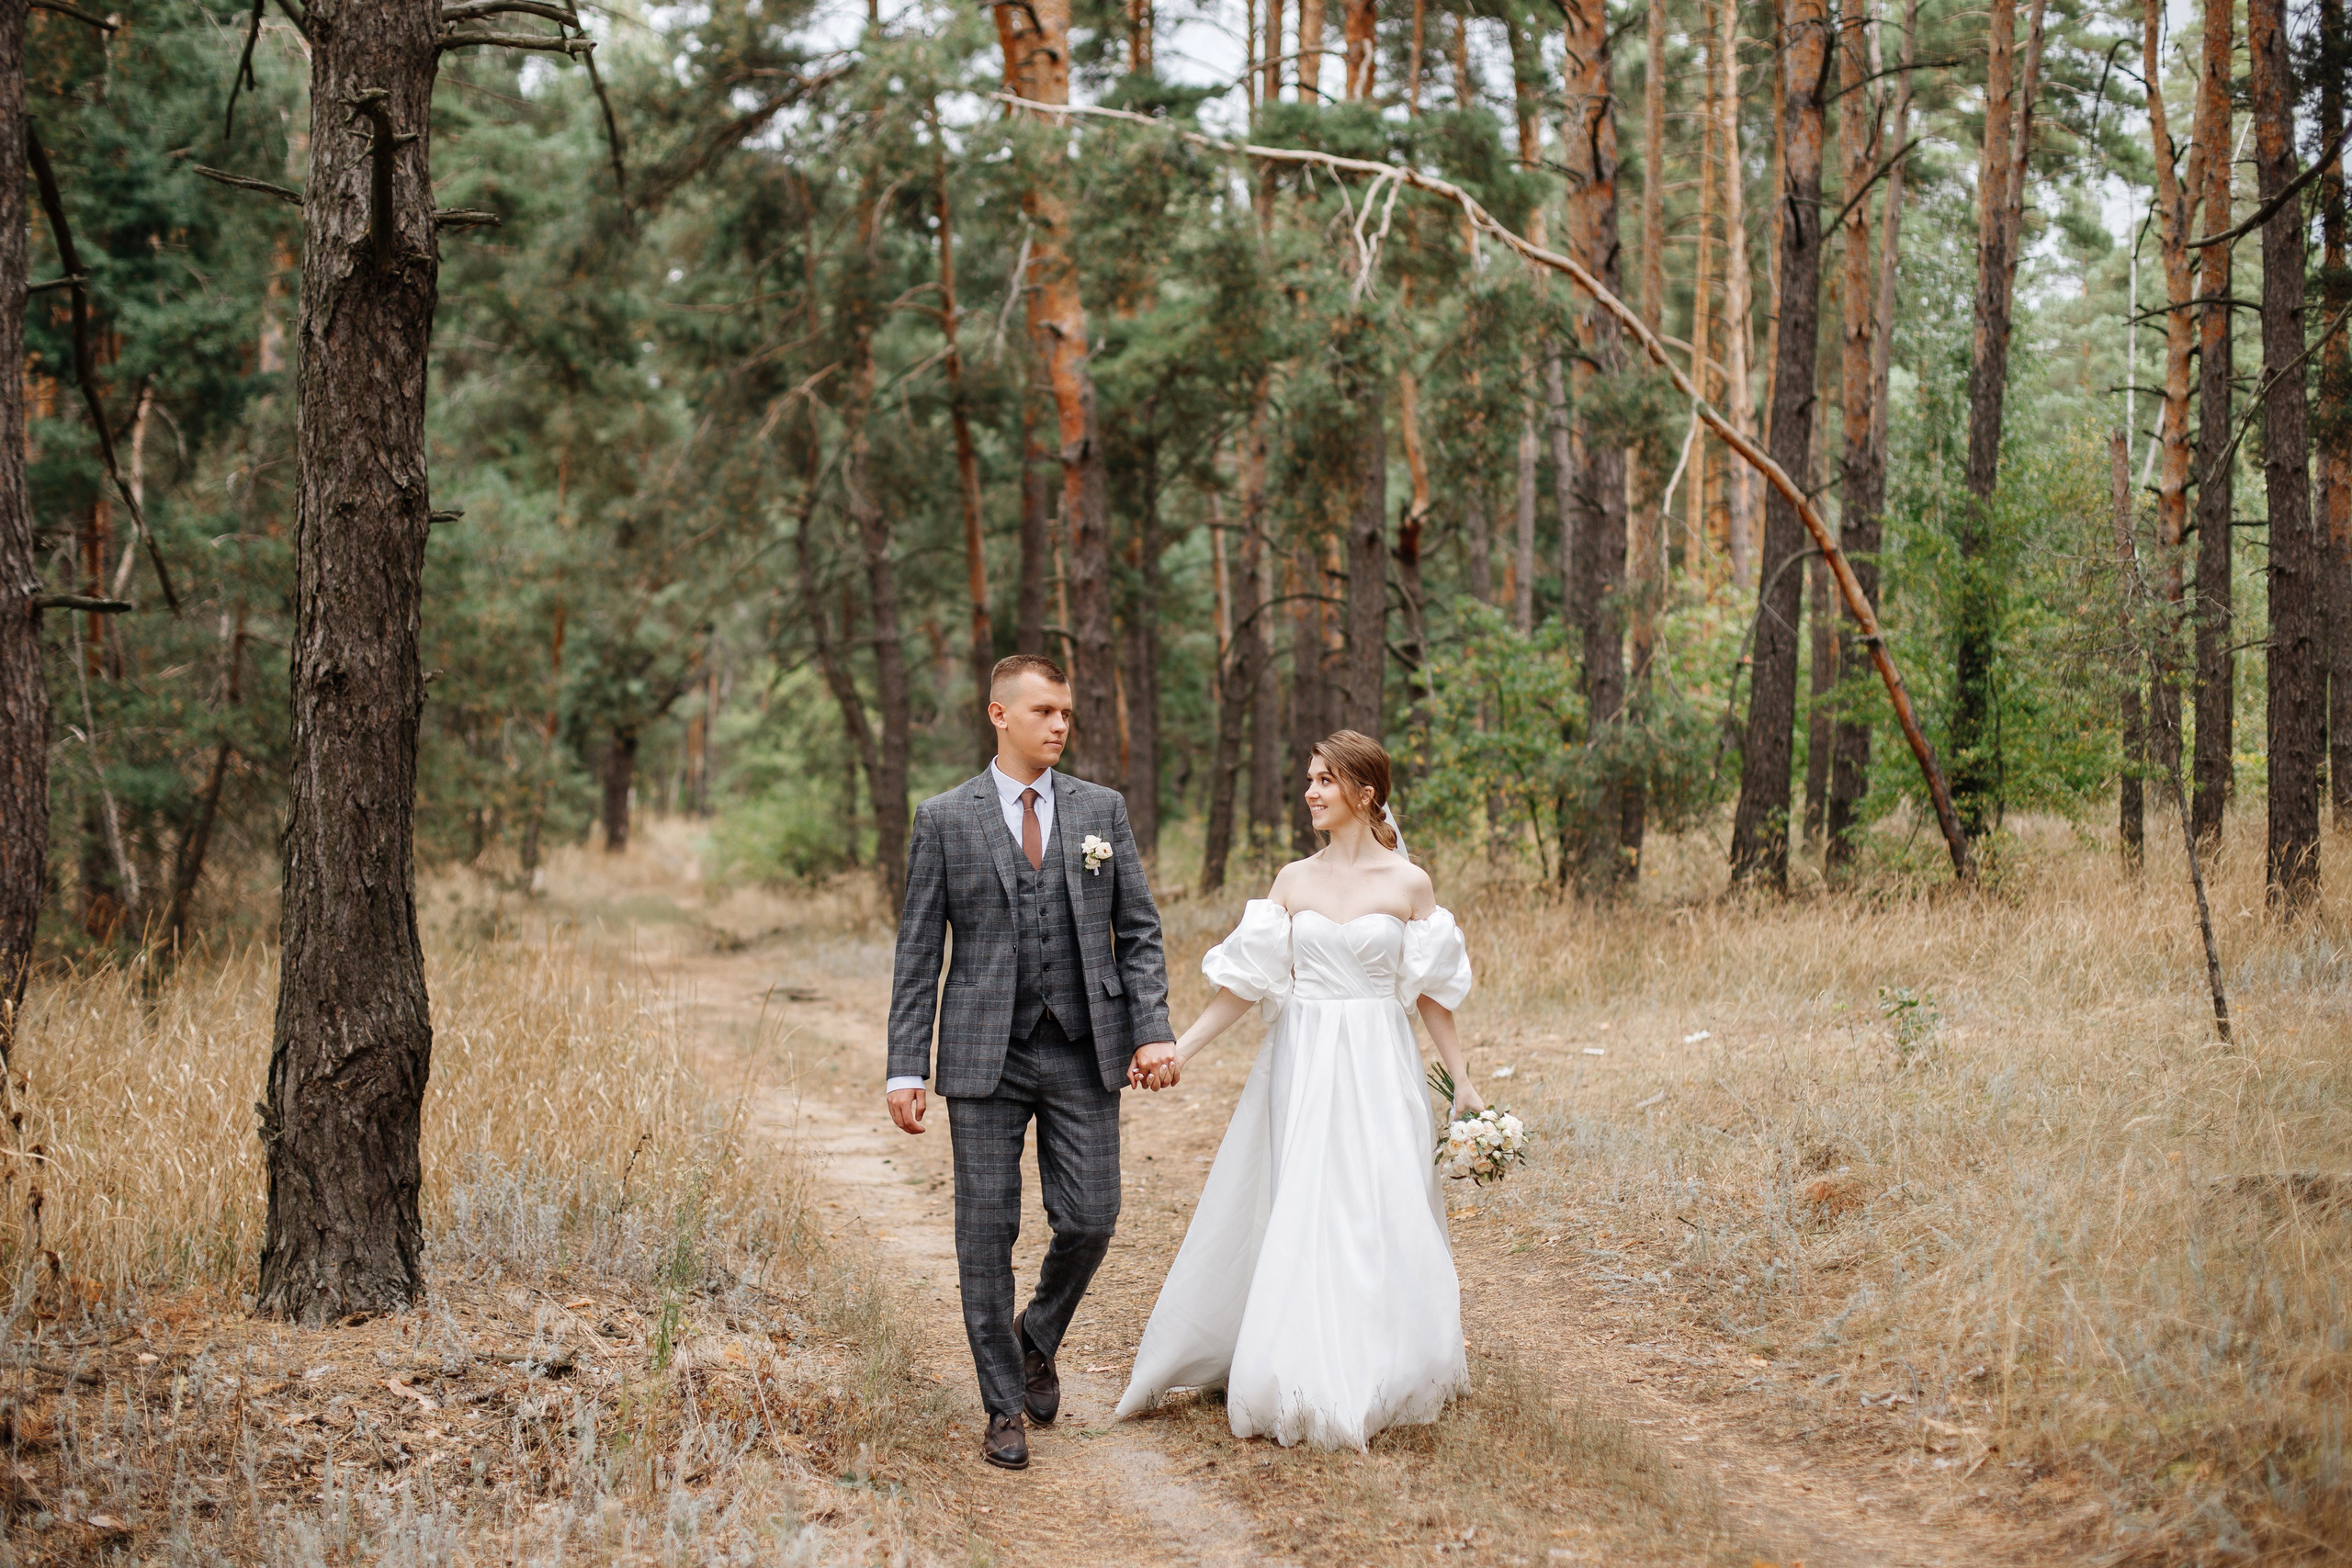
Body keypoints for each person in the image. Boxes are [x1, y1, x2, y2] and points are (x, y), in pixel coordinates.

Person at [1113, 729, 1479, 1450]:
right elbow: (1245, 986)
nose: (1310, 791)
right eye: (1310, 778)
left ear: (1365, 792)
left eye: (1324, 780)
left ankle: (1385, 1359)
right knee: (1305, 1199)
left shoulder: (1410, 885)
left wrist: (1462, 1079)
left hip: (1379, 1061)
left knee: (1377, 1201)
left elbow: (1433, 994)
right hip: (1303, 1059)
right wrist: (1175, 1050)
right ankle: (1296, 1359)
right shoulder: (1291, 881)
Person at [885, 654, 1181, 1472]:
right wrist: (905, 1066)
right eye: (1044, 710)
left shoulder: (1101, 810)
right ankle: (1002, 1402)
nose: (1060, 724)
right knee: (986, 1231)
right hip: (985, 1055)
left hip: (1086, 1047)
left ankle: (1037, 1333)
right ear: (999, 714)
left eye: (1066, 713)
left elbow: (1141, 929)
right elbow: (918, 952)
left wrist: (1152, 1028)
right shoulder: (944, 818)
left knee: (1092, 1215)